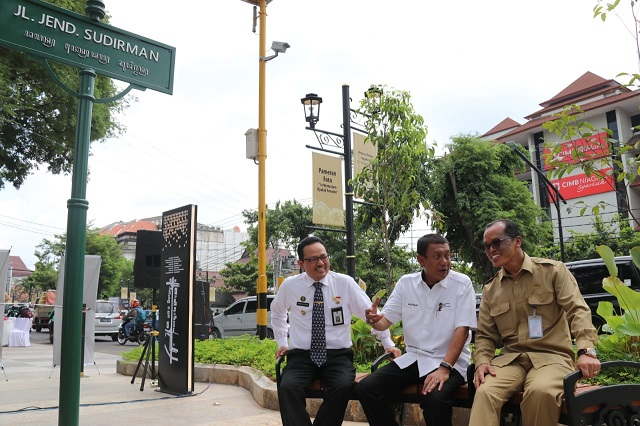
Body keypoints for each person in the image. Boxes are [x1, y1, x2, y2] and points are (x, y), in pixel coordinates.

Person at [469, 219, 600, 426]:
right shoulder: (491, 289)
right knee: (485, 392)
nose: (491, 250)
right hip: (511, 360)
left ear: (517, 241)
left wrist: (586, 351)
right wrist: (483, 361)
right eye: (486, 246)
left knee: (541, 392)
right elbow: (485, 335)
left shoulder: (553, 271)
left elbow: (578, 310)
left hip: (551, 357)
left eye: (496, 243)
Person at [271, 236, 394, 426]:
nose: (320, 263)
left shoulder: (344, 283)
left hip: (338, 357)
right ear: (301, 263)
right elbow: (277, 312)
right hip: (301, 357)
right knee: (287, 387)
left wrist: (388, 345)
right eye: (313, 259)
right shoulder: (290, 286)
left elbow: (370, 316)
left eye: (323, 257)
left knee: (342, 385)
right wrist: (282, 342)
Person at [360, 234, 477, 426]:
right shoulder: (407, 283)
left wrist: (444, 368)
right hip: (414, 358)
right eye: (437, 256)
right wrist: (373, 320)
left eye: (447, 256)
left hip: (449, 361)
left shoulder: (462, 284)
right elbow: (384, 323)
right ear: (421, 260)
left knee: (435, 400)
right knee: (367, 388)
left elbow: (462, 330)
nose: (445, 262)